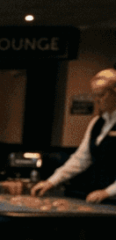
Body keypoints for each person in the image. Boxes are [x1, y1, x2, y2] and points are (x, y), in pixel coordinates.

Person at [31, 68, 116, 203]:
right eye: (95, 95)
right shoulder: (96, 123)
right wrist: (51, 182)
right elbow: (81, 159)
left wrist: (108, 192)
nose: (97, 100)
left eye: (101, 95)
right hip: (97, 197)